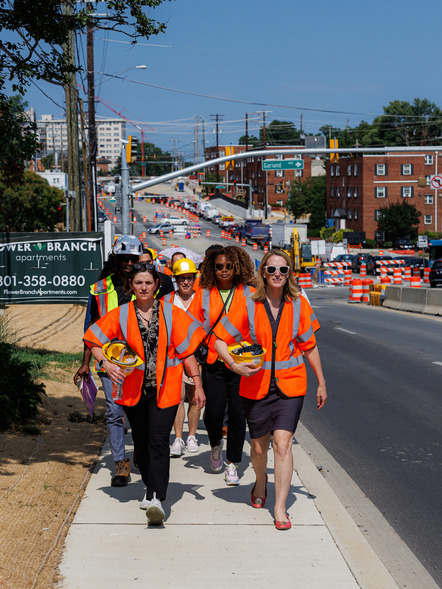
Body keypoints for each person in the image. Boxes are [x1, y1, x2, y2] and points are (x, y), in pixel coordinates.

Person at [83, 262, 206, 525]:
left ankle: (156, 497)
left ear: (156, 286)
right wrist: (104, 362)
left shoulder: (171, 313)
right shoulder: (122, 314)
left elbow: (187, 352)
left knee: (158, 441)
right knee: (141, 442)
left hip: (167, 389)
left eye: (148, 283)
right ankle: (150, 487)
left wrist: (198, 383)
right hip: (134, 391)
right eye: (138, 282)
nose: (143, 287)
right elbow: (93, 338)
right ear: (131, 285)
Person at [214, 249, 327, 530]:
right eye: (272, 269)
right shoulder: (248, 304)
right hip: (255, 386)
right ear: (263, 272)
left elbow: (309, 346)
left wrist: (321, 382)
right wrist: (233, 364)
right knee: (258, 446)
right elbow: (218, 339)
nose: (278, 274)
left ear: (289, 274)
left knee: (283, 443)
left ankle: (279, 508)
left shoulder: (299, 303)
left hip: (291, 386)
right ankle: (261, 480)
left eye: (283, 270)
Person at [74, 234, 142, 488]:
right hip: (108, 361)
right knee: (114, 411)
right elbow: (90, 327)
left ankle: (140, 452)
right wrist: (85, 363)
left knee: (137, 410)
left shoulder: (144, 287)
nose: (128, 262)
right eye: (123, 258)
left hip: (139, 362)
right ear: (115, 259)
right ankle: (120, 463)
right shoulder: (99, 289)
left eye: (132, 258)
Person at [188, 245, 256, 486]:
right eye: (219, 266)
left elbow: (256, 326)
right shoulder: (203, 293)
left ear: (237, 266)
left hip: (240, 362)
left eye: (229, 266)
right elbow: (193, 326)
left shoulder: (249, 292)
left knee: (238, 415)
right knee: (214, 412)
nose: (224, 270)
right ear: (211, 268)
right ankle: (215, 443)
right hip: (212, 363)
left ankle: (233, 463)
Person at [163, 258, 201, 456]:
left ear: (195, 278)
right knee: (177, 398)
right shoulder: (166, 300)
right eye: (182, 279)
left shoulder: (203, 299)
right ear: (175, 280)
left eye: (189, 278)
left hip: (197, 356)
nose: (186, 282)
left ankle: (192, 436)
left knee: (195, 398)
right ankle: (178, 438)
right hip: (174, 357)